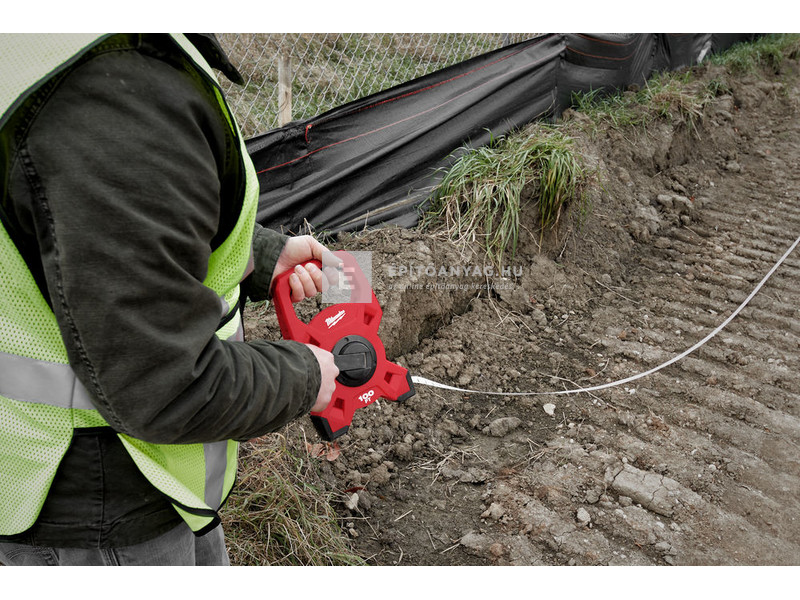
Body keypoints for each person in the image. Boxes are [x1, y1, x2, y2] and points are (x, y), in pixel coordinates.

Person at [0, 33, 339, 565]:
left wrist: (259, 253)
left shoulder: (48, 48)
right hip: (99, 511)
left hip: (102, 485)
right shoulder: (113, 94)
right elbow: (166, 387)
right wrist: (307, 377)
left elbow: (92, 227)